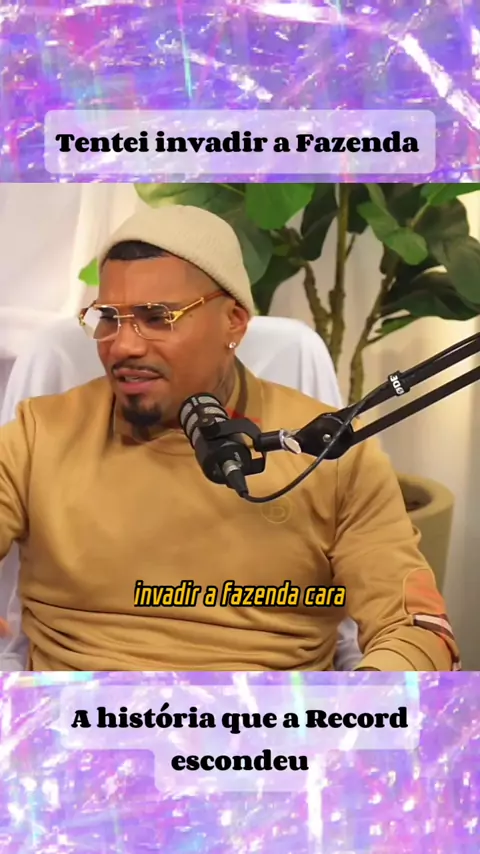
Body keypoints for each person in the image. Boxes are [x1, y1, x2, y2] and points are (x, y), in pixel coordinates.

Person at [0, 205, 460, 671]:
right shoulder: (40, 435)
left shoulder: (330, 451)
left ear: (234, 322)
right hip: (77, 709)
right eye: (108, 318)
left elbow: (416, 627)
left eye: (156, 317)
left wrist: (369, 697)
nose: (123, 345)